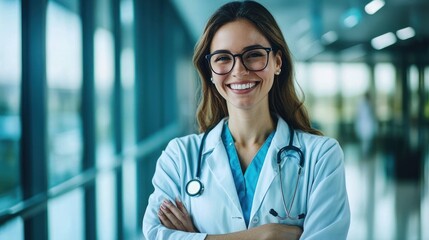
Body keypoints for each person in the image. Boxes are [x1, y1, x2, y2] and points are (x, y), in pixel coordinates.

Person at [142, 1, 350, 239]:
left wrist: (196, 236)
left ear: (277, 62)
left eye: (253, 55)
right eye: (222, 58)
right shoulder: (180, 156)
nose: (238, 70)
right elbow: (155, 233)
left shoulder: (322, 156)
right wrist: (266, 234)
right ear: (209, 69)